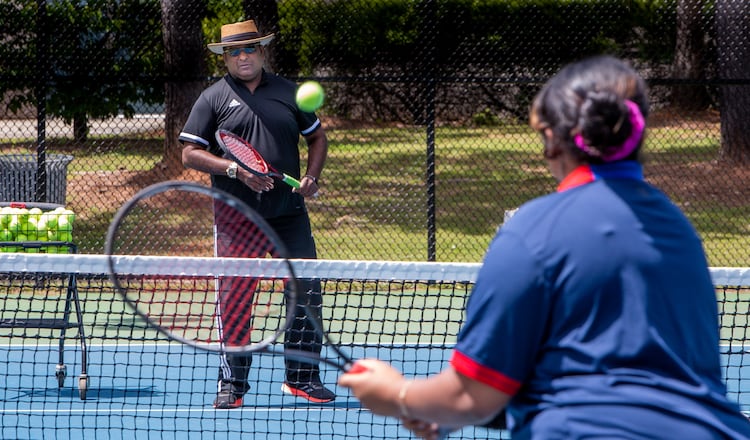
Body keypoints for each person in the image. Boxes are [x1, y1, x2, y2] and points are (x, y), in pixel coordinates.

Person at [338, 55, 750, 439]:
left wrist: (396, 395)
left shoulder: (532, 230)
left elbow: (471, 395)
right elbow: (628, 377)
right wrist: (454, 411)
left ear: (552, 141)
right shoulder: (679, 230)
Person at [179, 19, 333, 409]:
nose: (243, 57)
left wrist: (311, 177)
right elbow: (189, 153)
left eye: (249, 49)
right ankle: (232, 385)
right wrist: (235, 170)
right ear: (225, 58)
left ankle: (302, 379)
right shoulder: (213, 98)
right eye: (234, 51)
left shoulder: (289, 92)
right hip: (237, 218)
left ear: (262, 52)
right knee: (234, 298)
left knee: (306, 292)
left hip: (289, 214)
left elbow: (316, 136)